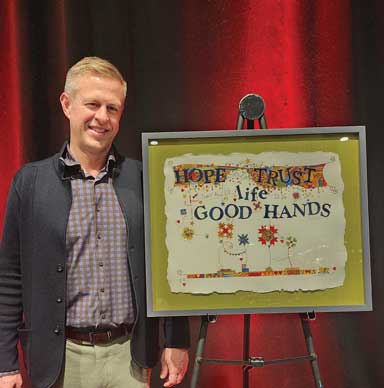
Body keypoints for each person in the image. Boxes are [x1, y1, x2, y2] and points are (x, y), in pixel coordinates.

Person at [0, 57, 190, 388]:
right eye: (93, 104)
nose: (102, 117)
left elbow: (169, 267)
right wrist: (5, 363)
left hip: (129, 358)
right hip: (60, 361)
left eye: (112, 108)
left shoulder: (145, 179)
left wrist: (177, 339)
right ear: (67, 104)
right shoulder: (29, 184)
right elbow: (10, 278)